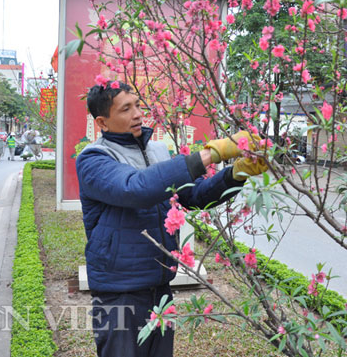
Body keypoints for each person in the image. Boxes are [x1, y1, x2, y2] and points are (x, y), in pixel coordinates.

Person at [75, 81, 268, 357]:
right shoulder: (93, 159)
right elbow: (136, 188)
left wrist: (236, 173)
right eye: (126, 109)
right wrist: (213, 153)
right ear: (102, 122)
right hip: (119, 293)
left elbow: (196, 195)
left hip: (160, 286)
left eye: (138, 105)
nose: (138, 114)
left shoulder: (158, 152)